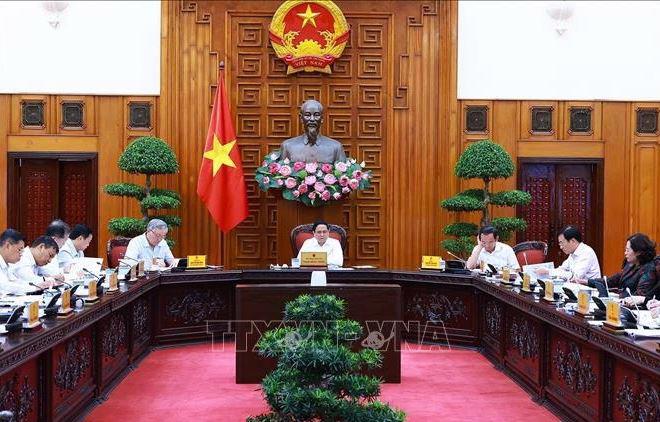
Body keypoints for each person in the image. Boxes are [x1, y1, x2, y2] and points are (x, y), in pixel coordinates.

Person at [587, 234, 658, 306]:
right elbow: (611, 280)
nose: (625, 253)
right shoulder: (630, 264)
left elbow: (639, 296)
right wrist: (587, 282)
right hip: (621, 302)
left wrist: (618, 298)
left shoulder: (649, 269)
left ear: (638, 252)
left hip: (634, 308)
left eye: (627, 250)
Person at [280, 100, 347, 164]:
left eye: (316, 115)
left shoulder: (335, 147)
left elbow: (343, 175)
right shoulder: (288, 146)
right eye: (308, 115)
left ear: (322, 118)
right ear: (301, 118)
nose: (312, 119)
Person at [536, 226, 601, 281]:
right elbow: (562, 269)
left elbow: (575, 277)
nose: (561, 247)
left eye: (562, 243)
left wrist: (548, 271)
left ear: (573, 241)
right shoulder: (573, 253)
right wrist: (547, 271)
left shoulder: (586, 252)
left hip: (589, 292)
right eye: (559, 243)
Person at [0, 229, 27, 294]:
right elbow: (5, 285)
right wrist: (34, 288)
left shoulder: (8, 264)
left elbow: (16, 282)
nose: (21, 253)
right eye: (20, 249)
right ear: (8, 246)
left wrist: (38, 285)